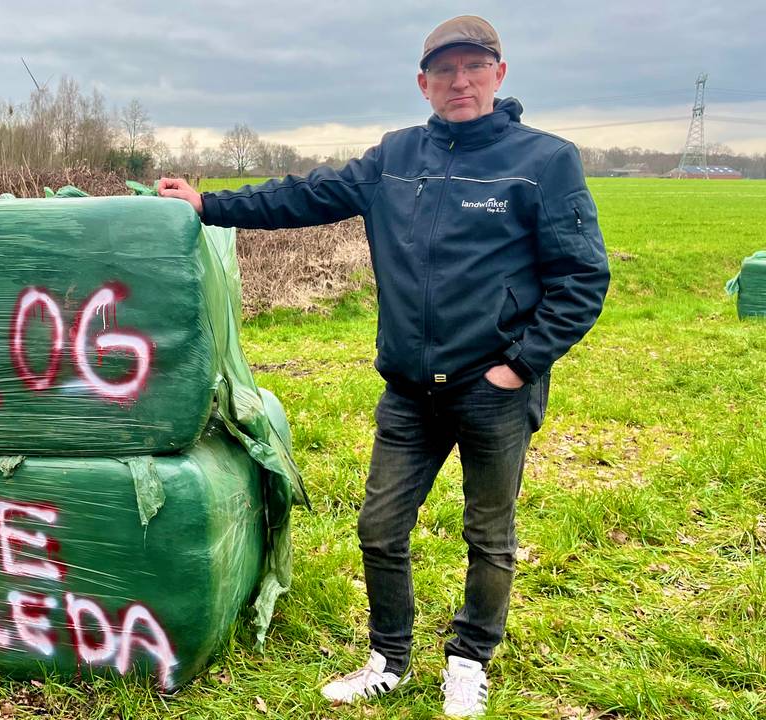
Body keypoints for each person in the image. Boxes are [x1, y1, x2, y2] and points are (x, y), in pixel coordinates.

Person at [158, 15, 609, 718]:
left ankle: (468, 659)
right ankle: (388, 658)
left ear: (500, 73)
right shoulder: (395, 157)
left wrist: (519, 366)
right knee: (379, 528)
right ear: (423, 83)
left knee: (489, 534)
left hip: (492, 389)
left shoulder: (544, 161)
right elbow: (306, 195)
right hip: (409, 389)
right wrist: (209, 204)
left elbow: (582, 277)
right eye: (445, 71)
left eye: (474, 67)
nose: (460, 82)